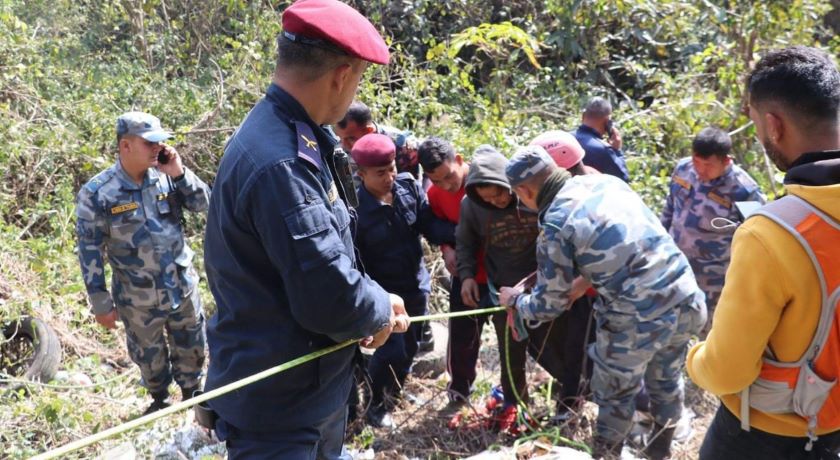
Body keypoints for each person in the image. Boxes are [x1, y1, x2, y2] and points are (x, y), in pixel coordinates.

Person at [202, 1, 408, 458]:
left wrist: (373, 297)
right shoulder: (281, 163)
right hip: (280, 409)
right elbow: (329, 298)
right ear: (341, 74)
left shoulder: (297, 133)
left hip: (309, 390)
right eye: (357, 79)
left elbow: (329, 254)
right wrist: (378, 307)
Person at [499, 146, 706, 459]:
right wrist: (584, 282)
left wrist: (517, 302)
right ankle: (660, 452)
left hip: (637, 316)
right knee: (666, 378)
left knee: (615, 394)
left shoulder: (555, 223)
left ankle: (606, 455)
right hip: (685, 296)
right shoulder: (606, 183)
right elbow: (631, 242)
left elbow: (549, 306)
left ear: (524, 191)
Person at [687, 46, 840, 460]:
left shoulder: (770, 235)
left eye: (754, 123)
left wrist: (694, 356)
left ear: (773, 125)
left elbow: (726, 371)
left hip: (767, 435)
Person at [75, 111, 210, 414]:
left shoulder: (167, 176)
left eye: (160, 142)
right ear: (126, 146)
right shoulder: (98, 194)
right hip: (138, 299)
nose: (157, 149)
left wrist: (179, 172)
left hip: (181, 287)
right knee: (149, 357)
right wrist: (100, 302)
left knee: (192, 346)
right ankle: (159, 401)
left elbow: (206, 204)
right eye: (150, 143)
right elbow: (89, 250)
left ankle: (192, 396)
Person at [455, 144, 589, 431]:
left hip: (546, 285)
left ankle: (570, 399)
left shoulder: (534, 198)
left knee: (557, 347)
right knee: (510, 354)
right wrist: (466, 275)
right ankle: (516, 406)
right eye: (488, 198)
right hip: (504, 293)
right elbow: (465, 242)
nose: (497, 202)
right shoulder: (472, 208)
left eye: (500, 193)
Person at [350, 134, 455, 429]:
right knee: (393, 348)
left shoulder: (408, 186)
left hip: (415, 285)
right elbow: (354, 263)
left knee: (407, 349)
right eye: (380, 173)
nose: (390, 177)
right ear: (361, 175)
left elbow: (428, 225)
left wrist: (460, 233)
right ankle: (375, 405)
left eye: (392, 168)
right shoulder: (354, 211)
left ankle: (386, 399)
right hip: (382, 293)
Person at [661, 127, 765, 332]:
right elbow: (669, 209)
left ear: (726, 161)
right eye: (696, 162)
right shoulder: (683, 169)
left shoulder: (743, 190)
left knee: (709, 334)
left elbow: (759, 238)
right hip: (676, 266)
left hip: (714, 279)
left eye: (708, 165)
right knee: (670, 326)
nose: (700, 170)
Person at [417, 136, 489, 407]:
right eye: (438, 181)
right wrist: (446, 249)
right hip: (464, 277)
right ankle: (459, 394)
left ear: (459, 160)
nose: (448, 185)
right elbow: (440, 226)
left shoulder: (487, 182)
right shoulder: (435, 195)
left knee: (513, 342)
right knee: (461, 340)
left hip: (498, 275)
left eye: (450, 176)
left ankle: (512, 397)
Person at [334, 100, 421, 180]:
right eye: (340, 138)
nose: (344, 145)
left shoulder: (401, 146)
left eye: (351, 138)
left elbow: (414, 187)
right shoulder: (337, 148)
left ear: (369, 131)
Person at [574, 97, 630, 182]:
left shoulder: (564, 138)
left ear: (583, 116)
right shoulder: (603, 150)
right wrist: (617, 151)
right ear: (607, 121)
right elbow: (623, 178)